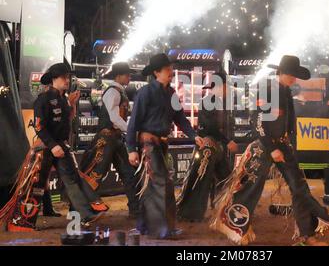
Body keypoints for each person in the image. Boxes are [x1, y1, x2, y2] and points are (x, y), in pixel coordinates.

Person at [210, 55, 329, 246]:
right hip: (266, 147)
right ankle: (234, 225)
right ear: (282, 73)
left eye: (295, 75)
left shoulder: (284, 90)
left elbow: (285, 122)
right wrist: (272, 148)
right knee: (251, 188)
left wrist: (287, 145)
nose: (294, 79)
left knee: (299, 188)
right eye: (291, 75)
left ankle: (307, 234)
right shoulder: (269, 90)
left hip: (282, 146)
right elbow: (258, 121)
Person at [0, 63, 103, 231]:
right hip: (45, 148)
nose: (67, 80)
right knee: (36, 185)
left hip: (61, 146)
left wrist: (73, 105)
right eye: (64, 77)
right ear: (54, 79)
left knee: (71, 180)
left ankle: (86, 214)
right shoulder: (43, 99)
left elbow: (67, 122)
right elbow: (39, 127)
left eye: (68, 77)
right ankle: (20, 221)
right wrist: (53, 145)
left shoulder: (64, 99)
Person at [127, 53, 204, 239]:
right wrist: (130, 149)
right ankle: (162, 229)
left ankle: (147, 226)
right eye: (167, 70)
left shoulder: (170, 94)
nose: (171, 72)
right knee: (163, 183)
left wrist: (194, 136)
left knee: (156, 184)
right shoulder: (145, 92)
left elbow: (180, 119)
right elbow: (134, 122)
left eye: (171, 69)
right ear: (156, 72)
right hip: (148, 144)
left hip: (160, 143)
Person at [79, 62, 139, 217]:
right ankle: (82, 208)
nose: (129, 77)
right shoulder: (113, 91)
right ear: (119, 75)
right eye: (127, 74)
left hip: (114, 138)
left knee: (128, 173)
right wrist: (130, 131)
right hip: (106, 139)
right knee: (95, 174)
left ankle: (136, 209)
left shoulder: (118, 91)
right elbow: (114, 118)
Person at [177, 72, 239, 222]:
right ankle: (192, 212)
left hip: (213, 147)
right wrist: (227, 141)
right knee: (209, 176)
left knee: (221, 177)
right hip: (210, 147)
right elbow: (210, 127)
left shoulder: (218, 103)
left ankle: (221, 208)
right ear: (222, 86)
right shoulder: (210, 102)